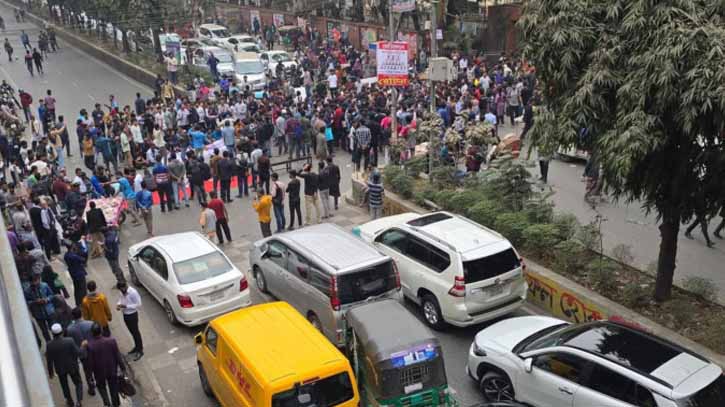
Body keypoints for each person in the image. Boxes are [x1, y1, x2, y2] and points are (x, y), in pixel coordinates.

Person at [84, 323, 126, 407]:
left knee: (101, 387)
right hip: (111, 370)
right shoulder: (111, 341)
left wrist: (90, 376)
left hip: (99, 373)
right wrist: (123, 368)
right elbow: (118, 356)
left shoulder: (90, 346)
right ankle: (116, 404)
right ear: (101, 331)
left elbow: (90, 363)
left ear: (92, 333)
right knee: (113, 388)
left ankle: (107, 402)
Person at [46, 323, 84, 407]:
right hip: (72, 367)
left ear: (52, 333)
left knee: (64, 386)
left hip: (60, 369)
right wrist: (82, 347)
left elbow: (49, 361)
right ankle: (79, 401)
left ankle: (70, 401)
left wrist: (51, 373)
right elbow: (78, 352)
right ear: (61, 332)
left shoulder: (49, 345)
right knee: (78, 383)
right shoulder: (69, 341)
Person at [66, 308, 96, 396]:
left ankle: (91, 387)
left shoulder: (69, 329)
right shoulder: (90, 324)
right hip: (93, 350)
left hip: (82, 353)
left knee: (87, 371)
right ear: (81, 314)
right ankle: (99, 382)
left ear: (72, 316)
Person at [24, 272, 56, 342]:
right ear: (30, 282)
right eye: (33, 282)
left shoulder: (45, 285)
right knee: (44, 331)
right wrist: (35, 302)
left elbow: (51, 295)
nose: (35, 283)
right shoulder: (27, 291)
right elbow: (26, 302)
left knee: (53, 327)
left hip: (49, 311)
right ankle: (49, 343)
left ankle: (56, 342)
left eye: (36, 280)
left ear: (39, 279)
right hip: (38, 314)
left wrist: (46, 300)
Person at [116, 282, 143, 361]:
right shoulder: (121, 292)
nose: (122, 291)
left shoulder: (133, 292)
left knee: (136, 332)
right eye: (120, 290)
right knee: (132, 332)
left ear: (126, 286)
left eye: (123, 289)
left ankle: (140, 350)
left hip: (132, 315)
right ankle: (136, 347)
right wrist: (118, 305)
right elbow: (121, 300)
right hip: (125, 314)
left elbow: (138, 304)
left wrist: (126, 306)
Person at [64, 242, 88, 307]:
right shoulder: (73, 256)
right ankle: (84, 302)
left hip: (73, 274)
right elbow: (83, 260)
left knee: (77, 289)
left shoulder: (66, 255)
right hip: (79, 273)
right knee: (82, 289)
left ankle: (78, 302)